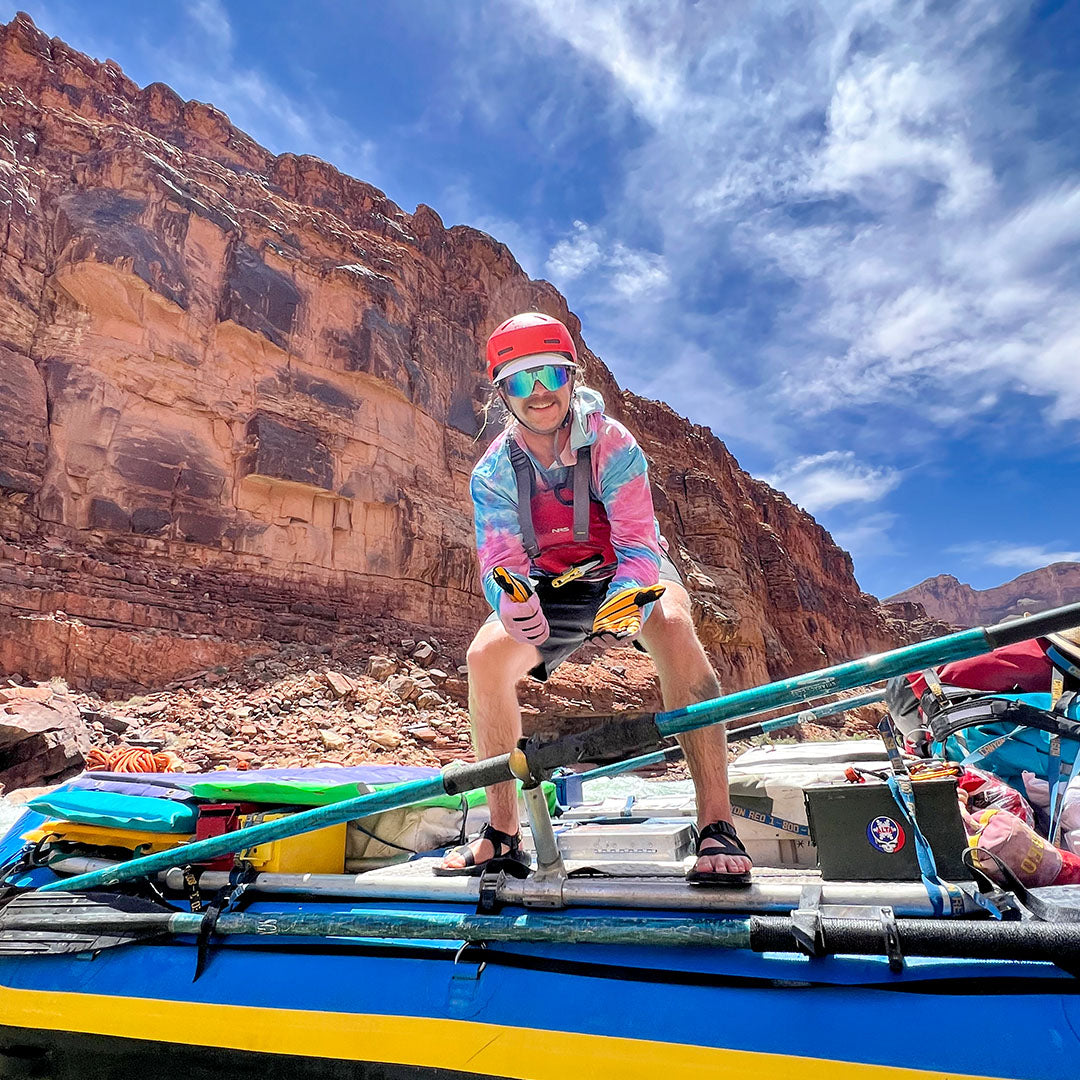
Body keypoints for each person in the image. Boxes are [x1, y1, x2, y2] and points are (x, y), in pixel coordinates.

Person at [436, 311, 753, 885]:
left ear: (571, 377)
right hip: (551, 584)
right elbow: (499, 561)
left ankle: (717, 823)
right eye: (520, 381)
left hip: (627, 569)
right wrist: (511, 601)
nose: (538, 394)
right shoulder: (491, 474)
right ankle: (503, 833)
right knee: (484, 658)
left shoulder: (614, 444)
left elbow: (637, 541)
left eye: (550, 377)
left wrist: (632, 595)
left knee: (677, 627)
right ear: (502, 393)